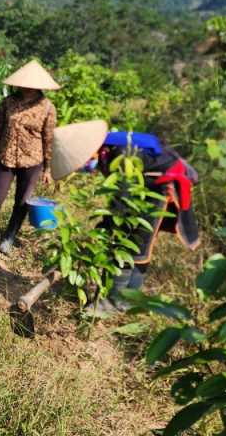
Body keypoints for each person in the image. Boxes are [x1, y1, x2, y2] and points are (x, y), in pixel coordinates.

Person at [86, 131, 200, 317]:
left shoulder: (120, 154)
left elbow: (123, 197)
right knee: (137, 245)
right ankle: (126, 301)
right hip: (145, 188)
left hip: (158, 189)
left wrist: (107, 227)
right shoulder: (111, 142)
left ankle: (115, 302)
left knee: (132, 244)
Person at [0, 60, 59, 256]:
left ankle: (9, 238)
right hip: (6, 157)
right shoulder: (8, 102)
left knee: (22, 202)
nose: (24, 87)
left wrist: (47, 169)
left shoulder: (47, 108)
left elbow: (49, 139)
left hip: (32, 161)